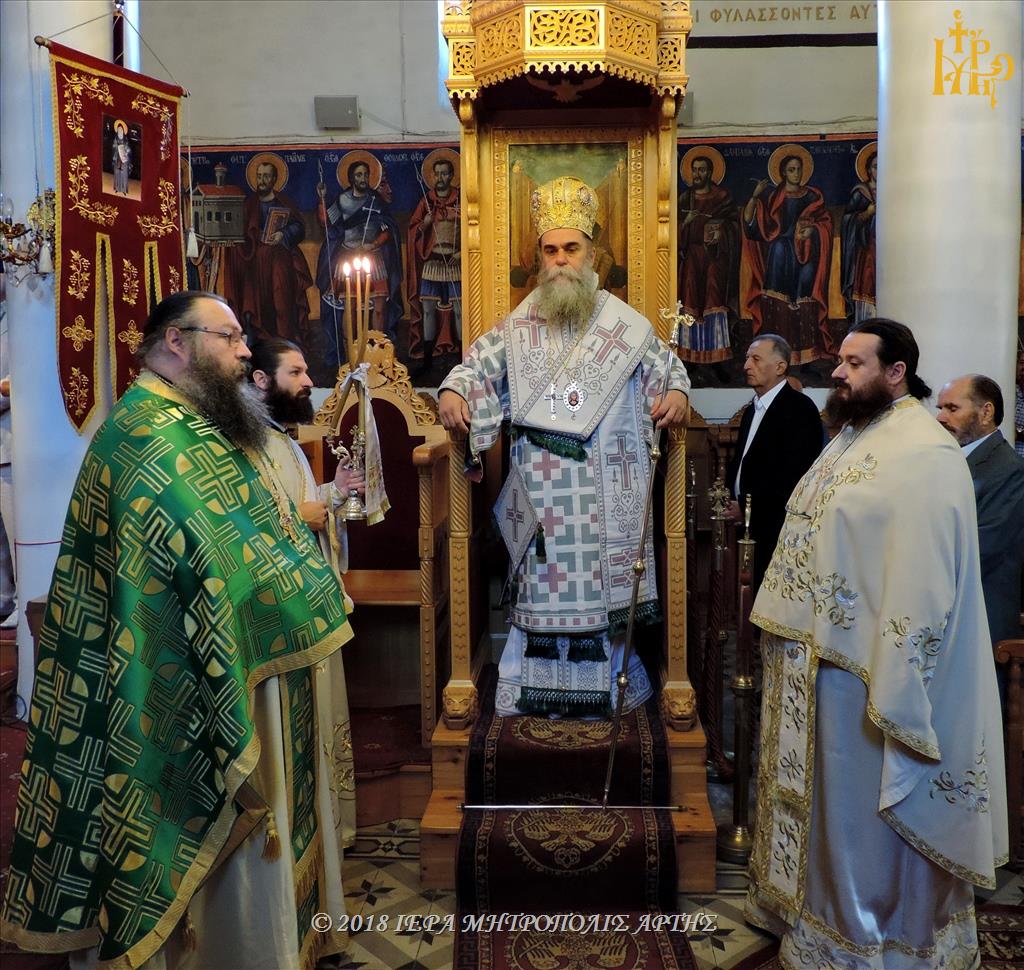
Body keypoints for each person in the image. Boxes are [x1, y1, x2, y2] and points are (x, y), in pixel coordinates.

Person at [0, 293, 354, 970]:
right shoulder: (148, 435)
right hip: (173, 671)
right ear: (176, 342)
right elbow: (202, 558)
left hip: (240, 650)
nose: (245, 352)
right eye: (231, 337)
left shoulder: (193, 420)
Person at [746, 319, 1007, 969]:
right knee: (834, 812)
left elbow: (926, 574)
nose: (838, 372)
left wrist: (898, 672)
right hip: (826, 656)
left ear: (896, 372)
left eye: (855, 362)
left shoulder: (925, 451)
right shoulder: (857, 434)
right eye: (840, 359)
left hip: (872, 667)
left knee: (866, 816)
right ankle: (818, 920)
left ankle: (878, 939)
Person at [439, 176, 690, 717]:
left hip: (605, 499)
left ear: (592, 254)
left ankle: (610, 687)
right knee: (540, 594)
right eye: (550, 250)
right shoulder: (517, 326)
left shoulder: (624, 326)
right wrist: (454, 391)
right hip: (540, 496)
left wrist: (675, 392)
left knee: (599, 599)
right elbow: (473, 368)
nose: (559, 261)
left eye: (570, 248)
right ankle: (528, 687)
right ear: (540, 257)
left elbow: (669, 372)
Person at [249, 338, 369, 867]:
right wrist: (304, 514)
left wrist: (333, 492)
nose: (307, 382)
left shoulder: (281, 437)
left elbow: (297, 503)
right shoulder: (245, 440)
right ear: (261, 379)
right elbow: (240, 523)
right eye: (296, 373)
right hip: (281, 616)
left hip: (307, 605)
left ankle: (326, 832)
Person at [725, 334, 823, 592]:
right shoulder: (751, 410)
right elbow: (743, 462)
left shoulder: (800, 409)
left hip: (777, 528)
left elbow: (794, 477)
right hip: (748, 526)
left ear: (780, 367)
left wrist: (747, 507)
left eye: (756, 359)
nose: (746, 365)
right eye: (747, 358)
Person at [937, 374, 1024, 650]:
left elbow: (982, 547)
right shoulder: (949, 461)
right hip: (946, 610)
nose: (940, 417)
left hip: (980, 621)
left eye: (952, 408)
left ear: (986, 412)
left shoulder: (1010, 470)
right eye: (940, 408)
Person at [743, 152, 833, 366]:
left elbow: (826, 223)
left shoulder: (813, 197)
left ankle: (807, 359)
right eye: (792, 170)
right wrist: (754, 197)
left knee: (805, 299)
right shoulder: (774, 197)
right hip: (780, 254)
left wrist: (814, 230)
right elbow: (754, 227)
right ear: (783, 172)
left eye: (799, 169)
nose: (796, 174)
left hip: (806, 254)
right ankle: (777, 356)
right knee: (780, 304)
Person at [316, 159, 403, 364]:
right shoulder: (342, 199)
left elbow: (387, 229)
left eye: (365, 174)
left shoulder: (376, 200)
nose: (363, 178)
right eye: (358, 175)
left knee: (379, 309)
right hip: (348, 256)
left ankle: (377, 356)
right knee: (351, 309)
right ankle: (351, 357)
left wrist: (373, 244)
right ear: (351, 178)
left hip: (373, 258)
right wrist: (322, 199)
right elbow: (328, 223)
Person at [225, 159, 314, 348]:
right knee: (252, 300)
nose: (262, 180)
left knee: (281, 299)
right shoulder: (249, 204)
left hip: (279, 261)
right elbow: (240, 232)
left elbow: (299, 227)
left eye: (266, 176)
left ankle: (284, 340)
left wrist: (283, 234)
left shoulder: (284, 202)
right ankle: (256, 340)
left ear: (274, 179)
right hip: (254, 262)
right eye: (259, 176)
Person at [676, 153, 739, 367]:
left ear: (710, 172)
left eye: (702, 170)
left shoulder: (722, 197)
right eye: (694, 170)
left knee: (714, 299)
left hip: (715, 259)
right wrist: (686, 222)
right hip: (692, 259)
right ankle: (689, 358)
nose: (697, 174)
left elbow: (734, 227)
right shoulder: (685, 198)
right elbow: (672, 233)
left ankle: (717, 359)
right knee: (690, 299)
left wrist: (721, 230)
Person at [407, 157, 462, 374]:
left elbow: (474, 228)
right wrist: (425, 224)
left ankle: (462, 359)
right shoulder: (427, 201)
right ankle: (427, 361)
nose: (440, 177)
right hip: (433, 262)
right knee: (428, 311)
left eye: (444, 173)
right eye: (437, 173)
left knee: (459, 311)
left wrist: (461, 253)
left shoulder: (461, 200)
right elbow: (413, 230)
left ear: (452, 175)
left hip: (454, 263)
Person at [840, 148, 877, 324]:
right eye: (875, 167)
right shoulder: (861, 192)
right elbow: (847, 220)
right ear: (869, 170)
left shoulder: (894, 190)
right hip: (866, 249)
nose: (879, 171)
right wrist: (867, 213)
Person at [111, 119, 131, 195]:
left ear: (123, 130)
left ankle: (123, 189)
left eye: (121, 129)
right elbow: (113, 146)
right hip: (117, 157)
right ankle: (117, 188)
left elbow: (129, 149)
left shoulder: (126, 140)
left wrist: (125, 150)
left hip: (124, 158)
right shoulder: (115, 139)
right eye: (118, 129)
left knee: (123, 173)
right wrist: (117, 147)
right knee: (117, 173)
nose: (120, 131)